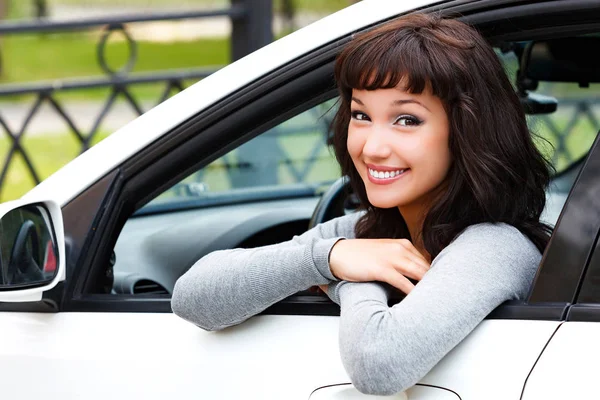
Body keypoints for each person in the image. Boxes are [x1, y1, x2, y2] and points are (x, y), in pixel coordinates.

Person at [171, 12, 552, 396]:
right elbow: (192, 297)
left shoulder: (496, 246)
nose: (372, 147)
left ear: (468, 130)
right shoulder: (358, 233)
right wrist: (326, 259)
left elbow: (378, 364)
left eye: (406, 120)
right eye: (361, 115)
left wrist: (355, 276)